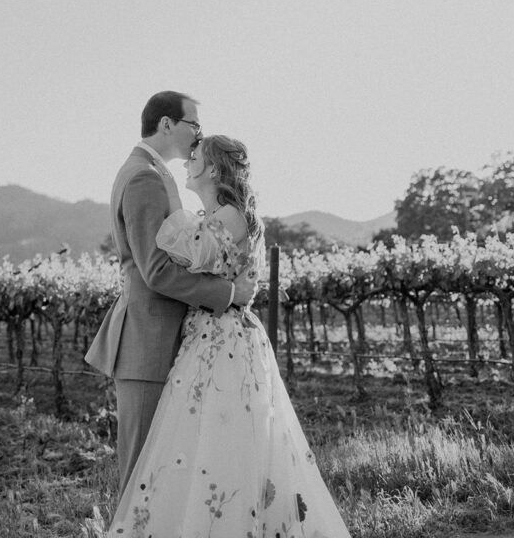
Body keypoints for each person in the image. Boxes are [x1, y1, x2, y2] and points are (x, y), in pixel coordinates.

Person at [106, 134, 352, 538]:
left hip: (224, 339)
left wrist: (166, 200)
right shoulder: (216, 216)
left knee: (223, 439)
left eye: (195, 157)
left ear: (213, 169)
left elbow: (174, 254)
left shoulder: (232, 217)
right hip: (204, 336)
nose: (187, 162)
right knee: (195, 441)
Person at [85, 93, 256, 499]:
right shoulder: (144, 176)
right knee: (140, 474)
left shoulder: (151, 172)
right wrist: (230, 292)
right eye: (193, 125)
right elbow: (156, 270)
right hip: (148, 340)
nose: (198, 135)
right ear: (166, 125)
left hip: (165, 340)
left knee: (160, 472)